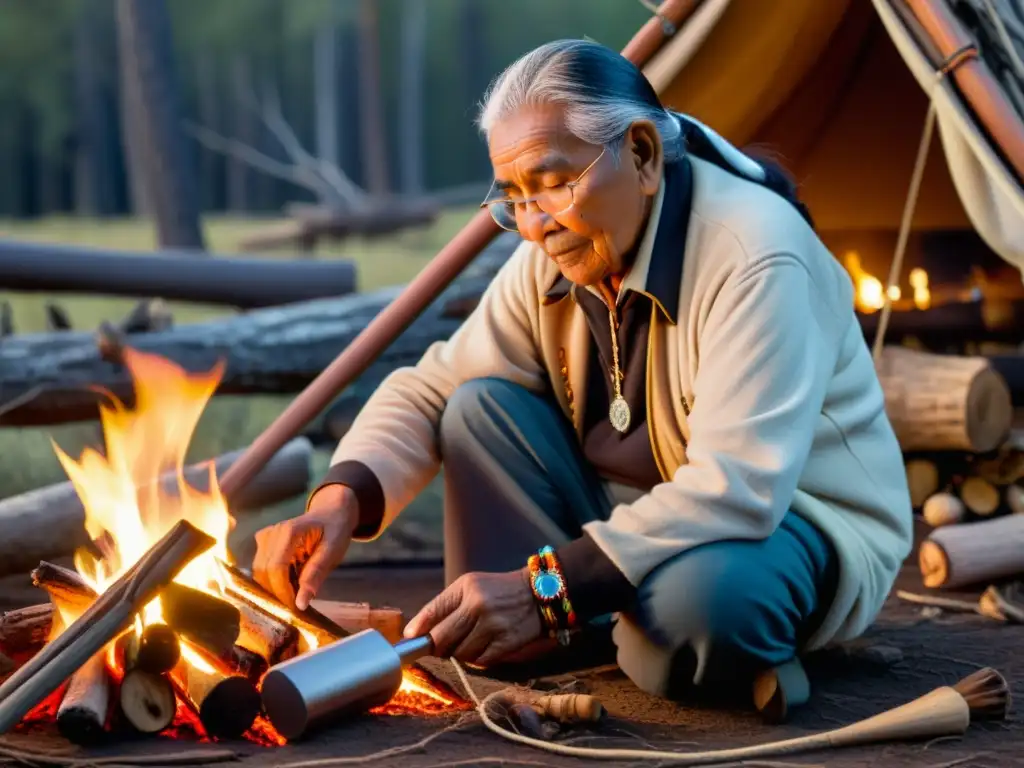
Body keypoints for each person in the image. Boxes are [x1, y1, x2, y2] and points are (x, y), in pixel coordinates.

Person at [252, 39, 912, 702]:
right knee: (476, 407)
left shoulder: (755, 256)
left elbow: (736, 488)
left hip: (785, 521)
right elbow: (432, 386)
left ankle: (641, 627)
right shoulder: (553, 253)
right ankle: (613, 619)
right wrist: (339, 500)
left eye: (555, 183)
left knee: (699, 611)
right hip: (626, 519)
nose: (535, 224)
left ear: (644, 155)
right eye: (514, 196)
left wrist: (547, 588)